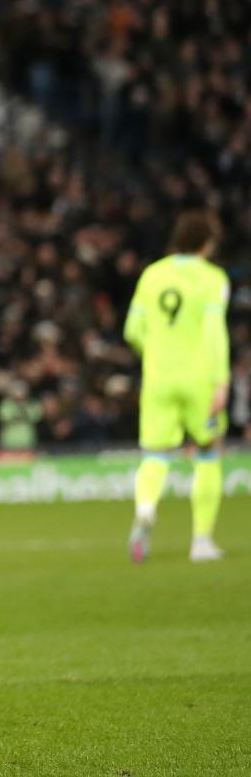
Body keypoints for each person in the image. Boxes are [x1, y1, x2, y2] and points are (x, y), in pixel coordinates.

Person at [124, 211, 230, 564]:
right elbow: (215, 332)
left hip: (158, 377)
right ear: (207, 243)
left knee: (154, 454)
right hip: (200, 377)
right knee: (208, 451)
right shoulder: (213, 278)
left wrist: (154, 352)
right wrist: (221, 380)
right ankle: (201, 541)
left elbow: (132, 330)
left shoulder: (152, 274)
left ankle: (145, 510)